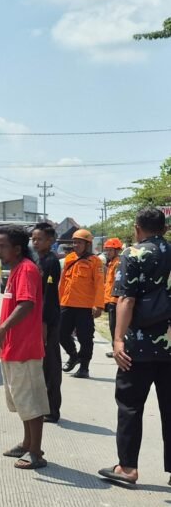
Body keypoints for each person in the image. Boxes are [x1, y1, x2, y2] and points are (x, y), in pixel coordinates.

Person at [98, 207, 171, 487]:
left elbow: (126, 300)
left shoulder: (134, 253)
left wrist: (117, 340)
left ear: (137, 228)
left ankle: (127, 468)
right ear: (163, 228)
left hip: (137, 348)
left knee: (130, 406)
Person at [0, 225, 49, 470]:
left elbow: (26, 304)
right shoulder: (16, 269)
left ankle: (36, 451)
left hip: (24, 348)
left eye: (2, 245)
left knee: (31, 402)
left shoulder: (26, 269)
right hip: (13, 347)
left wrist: (2, 329)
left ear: (17, 248)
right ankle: (27, 443)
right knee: (21, 401)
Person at [58, 229, 104, 378]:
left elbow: (99, 284)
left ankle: (84, 368)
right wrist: (58, 302)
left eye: (79, 242)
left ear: (87, 244)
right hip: (67, 304)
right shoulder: (69, 258)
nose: (75, 245)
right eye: (74, 242)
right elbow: (63, 282)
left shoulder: (95, 261)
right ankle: (73, 355)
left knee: (85, 338)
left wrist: (99, 305)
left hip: (85, 307)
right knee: (61, 333)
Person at [31, 223, 62, 423]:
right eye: (33, 238)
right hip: (41, 319)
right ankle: (44, 406)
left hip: (49, 320)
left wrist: (43, 323)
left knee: (51, 364)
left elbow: (49, 296)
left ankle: (52, 410)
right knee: (42, 365)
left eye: (39, 239)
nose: (35, 242)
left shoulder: (50, 261)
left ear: (50, 241)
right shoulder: (39, 259)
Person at [102, 238, 125, 358]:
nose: (107, 252)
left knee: (115, 327)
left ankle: (117, 349)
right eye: (107, 250)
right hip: (110, 300)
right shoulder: (111, 263)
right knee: (112, 326)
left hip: (115, 301)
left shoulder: (118, 263)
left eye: (110, 250)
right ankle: (115, 349)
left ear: (117, 250)